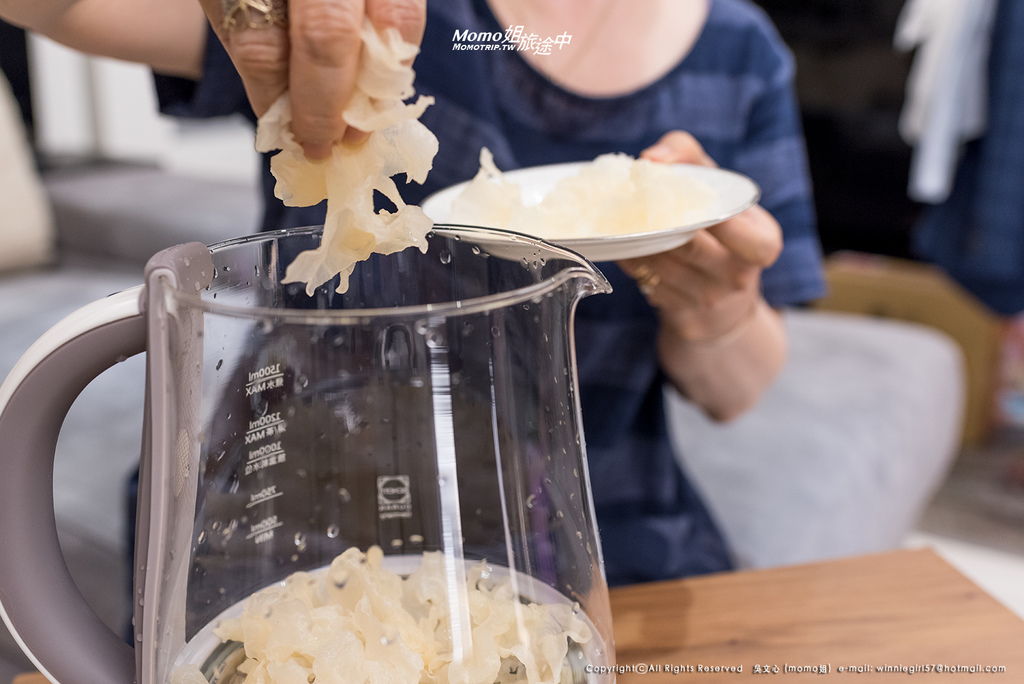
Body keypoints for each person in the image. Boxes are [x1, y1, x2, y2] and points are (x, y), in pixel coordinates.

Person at [1, 0, 825, 584]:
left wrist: (716, 307)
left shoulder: (739, 50)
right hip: (300, 503)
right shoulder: (384, 13)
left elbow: (738, 388)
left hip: (590, 517)